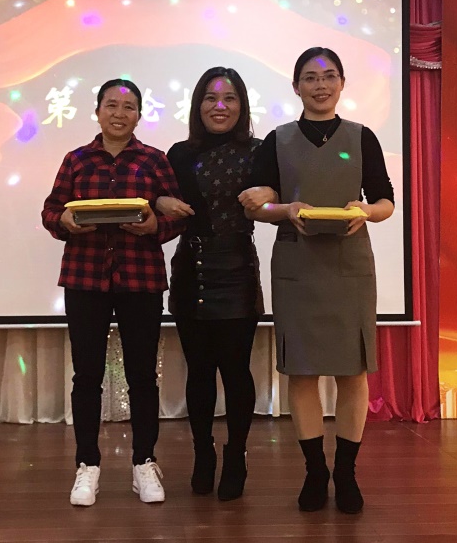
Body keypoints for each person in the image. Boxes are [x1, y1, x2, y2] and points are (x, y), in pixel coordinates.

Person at [239, 47, 395, 514]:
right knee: (302, 371)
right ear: (296, 87)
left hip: (350, 264)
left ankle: (345, 472)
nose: (320, 85)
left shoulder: (362, 137)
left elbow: (385, 201)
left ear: (342, 83)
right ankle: (314, 471)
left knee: (352, 371)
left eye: (328, 76)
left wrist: (366, 212)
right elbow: (258, 207)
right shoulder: (277, 140)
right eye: (310, 77)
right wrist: (284, 209)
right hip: (298, 265)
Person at [41, 78, 184, 507]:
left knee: (142, 375)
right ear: (97, 110)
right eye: (111, 105)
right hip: (85, 278)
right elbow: (51, 210)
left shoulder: (154, 160)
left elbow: (178, 214)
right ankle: (87, 465)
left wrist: (155, 225)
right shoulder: (77, 159)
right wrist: (64, 222)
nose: (119, 113)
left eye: (128, 106)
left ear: (139, 114)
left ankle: (144, 463)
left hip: (141, 279)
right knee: (86, 376)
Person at [155, 67, 273, 501]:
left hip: (237, 269)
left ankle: (236, 455)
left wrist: (271, 194)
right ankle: (202, 453)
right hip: (191, 269)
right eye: (210, 98)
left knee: (236, 370)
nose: (219, 106)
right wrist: (158, 201)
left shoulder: (260, 151)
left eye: (229, 98)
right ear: (197, 105)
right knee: (199, 371)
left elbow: (282, 195)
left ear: (242, 105)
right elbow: (158, 200)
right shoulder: (179, 153)